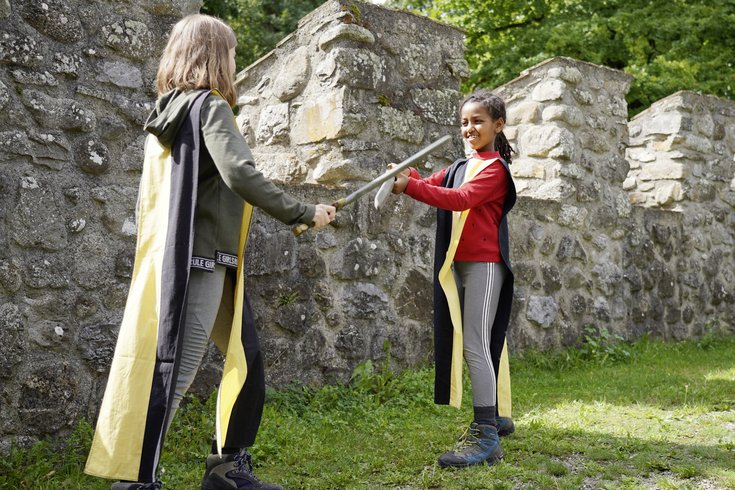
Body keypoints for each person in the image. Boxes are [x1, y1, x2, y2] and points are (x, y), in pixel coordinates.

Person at [84, 14, 336, 490]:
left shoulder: (169, 112)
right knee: (173, 371)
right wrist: (303, 211)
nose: (237, 62)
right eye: (234, 54)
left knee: (248, 356)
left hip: (194, 259)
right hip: (199, 264)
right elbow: (240, 174)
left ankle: (226, 469)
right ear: (216, 57)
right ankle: (136, 482)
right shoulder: (211, 107)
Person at [391, 92, 517, 468]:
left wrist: (410, 186)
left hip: (485, 266)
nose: (469, 128)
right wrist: (404, 176)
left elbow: (459, 199)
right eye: (464, 122)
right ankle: (496, 417)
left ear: (498, 125)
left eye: (478, 121)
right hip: (458, 264)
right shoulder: (462, 165)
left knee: (476, 343)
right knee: (473, 342)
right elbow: (431, 182)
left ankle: (486, 434)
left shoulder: (494, 170)